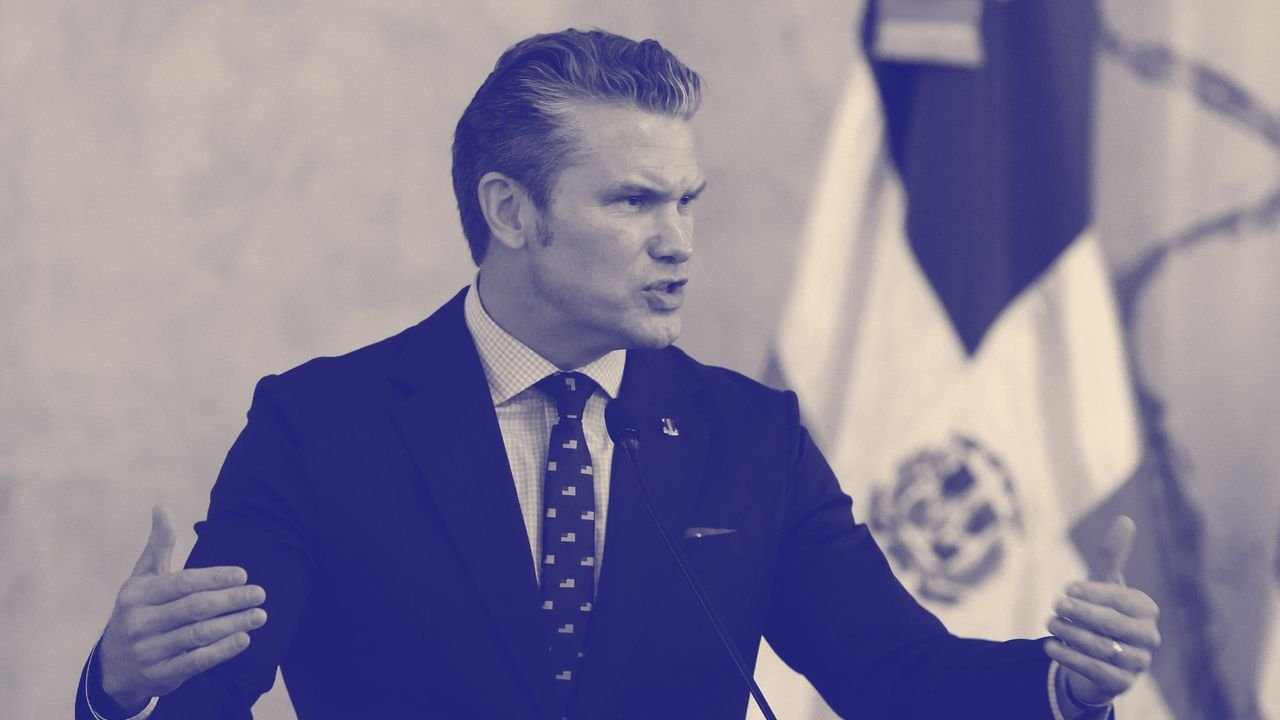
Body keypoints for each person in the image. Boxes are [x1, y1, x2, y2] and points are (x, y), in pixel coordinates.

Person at [76, 28, 1161, 719]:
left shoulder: (749, 436)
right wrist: (118, 690)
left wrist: (1064, 684)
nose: (678, 242)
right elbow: (203, 692)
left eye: (687, 201)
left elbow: (895, 674)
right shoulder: (322, 425)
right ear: (512, 212)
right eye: (634, 202)